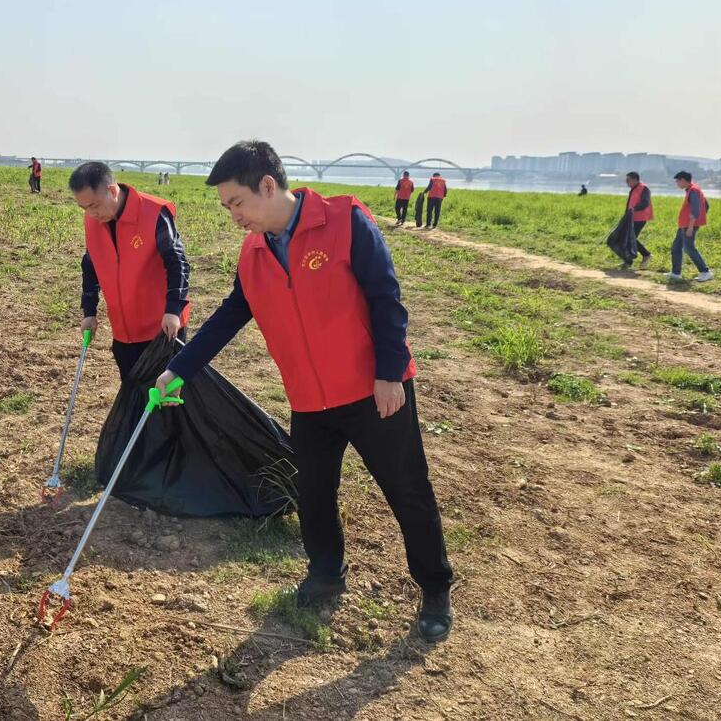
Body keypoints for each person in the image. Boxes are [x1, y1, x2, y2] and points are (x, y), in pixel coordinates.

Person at [154, 141, 454, 643]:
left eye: (237, 203)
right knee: (314, 493)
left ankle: (435, 587)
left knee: (406, 489)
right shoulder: (253, 252)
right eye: (227, 207)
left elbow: (386, 297)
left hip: (373, 392)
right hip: (309, 400)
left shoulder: (344, 221)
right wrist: (179, 368)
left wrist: (390, 372)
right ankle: (325, 574)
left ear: (267, 186)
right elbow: (231, 315)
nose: (233, 217)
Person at [71, 161, 191, 378]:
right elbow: (91, 265)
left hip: (162, 329)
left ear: (112, 190)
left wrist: (173, 309)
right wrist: (89, 312)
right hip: (124, 334)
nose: (91, 213)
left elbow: (177, 262)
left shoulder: (153, 213)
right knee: (134, 397)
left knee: (167, 402)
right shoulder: (92, 221)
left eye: (95, 206)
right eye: (84, 208)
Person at [666, 171, 713, 283]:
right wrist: (698, 220)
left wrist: (692, 226)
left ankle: (705, 272)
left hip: (689, 226)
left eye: (677, 181)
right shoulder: (693, 189)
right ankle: (676, 273)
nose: (677, 183)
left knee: (689, 248)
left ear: (683, 180)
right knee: (676, 247)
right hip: (685, 225)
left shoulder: (693, 191)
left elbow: (696, 209)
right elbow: (706, 205)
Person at [623, 171, 653, 269]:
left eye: (628, 180)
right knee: (628, 239)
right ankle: (628, 261)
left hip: (640, 218)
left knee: (630, 239)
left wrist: (634, 209)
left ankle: (646, 255)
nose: (626, 182)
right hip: (632, 218)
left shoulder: (644, 188)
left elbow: (645, 203)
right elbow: (629, 204)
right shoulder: (633, 189)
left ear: (635, 180)